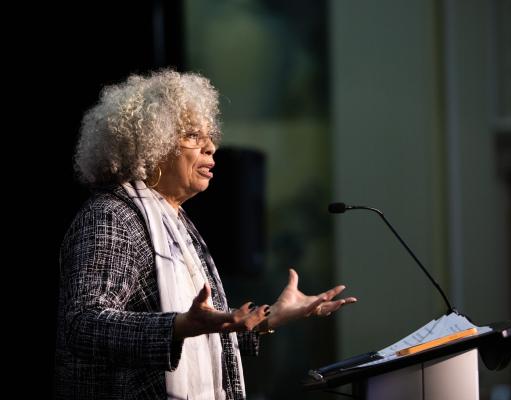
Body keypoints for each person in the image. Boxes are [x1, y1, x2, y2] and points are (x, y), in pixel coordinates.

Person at [54, 69, 356, 400]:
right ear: (152, 145)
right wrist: (178, 326)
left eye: (209, 135)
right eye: (193, 136)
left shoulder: (177, 223)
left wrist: (269, 318)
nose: (211, 147)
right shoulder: (112, 217)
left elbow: (206, 339)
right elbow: (83, 325)